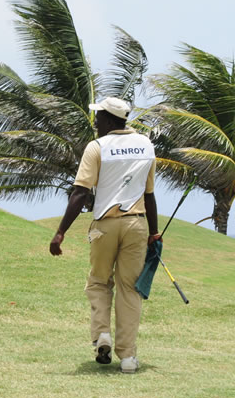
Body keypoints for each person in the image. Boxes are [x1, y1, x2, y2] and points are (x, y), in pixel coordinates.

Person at [49, 97, 160, 374]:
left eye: (99, 117)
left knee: (98, 282)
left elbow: (80, 192)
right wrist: (154, 233)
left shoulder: (97, 147)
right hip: (137, 225)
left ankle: (102, 337)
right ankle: (128, 358)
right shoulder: (146, 146)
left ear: (110, 120)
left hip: (104, 226)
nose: (96, 121)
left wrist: (61, 232)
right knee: (129, 290)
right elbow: (149, 195)